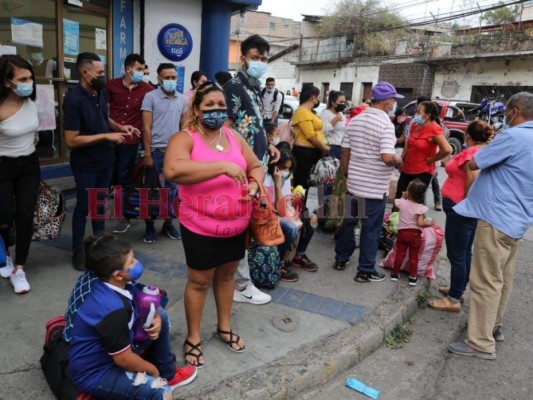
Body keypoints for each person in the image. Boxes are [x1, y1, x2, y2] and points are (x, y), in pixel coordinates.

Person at [163, 80, 264, 368]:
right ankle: (193, 337)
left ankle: (223, 327)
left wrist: (255, 183)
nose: (216, 110)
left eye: (221, 105)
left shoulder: (233, 137)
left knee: (227, 276)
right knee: (198, 282)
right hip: (200, 226)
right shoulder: (185, 138)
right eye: (209, 105)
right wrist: (221, 166)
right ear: (196, 109)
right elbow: (173, 169)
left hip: (236, 224)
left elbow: (256, 165)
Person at [447, 92, 533, 360]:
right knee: (503, 279)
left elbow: (474, 162)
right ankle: (493, 326)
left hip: (496, 218)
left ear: (514, 112)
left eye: (506, 111)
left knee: (485, 281)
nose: (504, 116)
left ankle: (480, 343)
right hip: (517, 221)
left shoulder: (514, 137)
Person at [68, 234, 197, 399]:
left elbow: (144, 306)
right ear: (118, 274)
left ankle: (168, 375)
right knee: (162, 391)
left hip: (113, 352)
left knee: (162, 316)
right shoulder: (112, 309)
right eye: (132, 261)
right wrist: (153, 372)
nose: (137, 263)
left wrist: (156, 318)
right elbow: (123, 360)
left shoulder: (118, 285)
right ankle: (160, 377)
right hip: (97, 373)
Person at [63, 52, 133, 271]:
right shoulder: (73, 100)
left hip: (105, 160)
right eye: (100, 72)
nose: (104, 76)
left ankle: (101, 247)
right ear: (85, 72)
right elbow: (71, 140)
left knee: (99, 206)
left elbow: (104, 118)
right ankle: (78, 251)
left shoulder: (100, 92)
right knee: (84, 206)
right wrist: (106, 136)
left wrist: (119, 127)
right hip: (86, 164)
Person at [224, 34, 279, 305]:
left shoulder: (254, 88)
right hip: (241, 171)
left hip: (256, 168)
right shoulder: (234, 87)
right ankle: (241, 285)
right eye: (256, 57)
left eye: (264, 58)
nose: (260, 62)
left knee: (245, 226)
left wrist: (269, 146)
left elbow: (252, 126)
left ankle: (235, 280)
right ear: (243, 57)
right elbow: (225, 129)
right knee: (240, 229)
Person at [333, 82, 403, 281]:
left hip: (354, 184)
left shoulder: (355, 120)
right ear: (388, 103)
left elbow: (345, 150)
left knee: (348, 223)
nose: (394, 104)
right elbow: (388, 157)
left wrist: (347, 173)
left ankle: (341, 258)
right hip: (374, 188)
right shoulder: (386, 125)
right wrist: (399, 160)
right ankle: (365, 270)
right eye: (394, 101)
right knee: (370, 229)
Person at [429, 120, 493, 313]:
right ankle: (458, 289)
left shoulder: (470, 153)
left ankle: (454, 299)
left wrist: (466, 203)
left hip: (460, 207)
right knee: (464, 252)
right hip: (468, 208)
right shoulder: (485, 151)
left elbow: (471, 177)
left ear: (468, 136)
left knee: (456, 254)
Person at [0, 55, 40, 293]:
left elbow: (35, 136)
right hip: (3, 166)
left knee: (25, 217)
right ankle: (5, 253)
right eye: (22, 79)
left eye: (30, 78)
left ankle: (19, 268)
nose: (29, 82)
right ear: (7, 82)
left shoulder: (32, 102)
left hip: (29, 165)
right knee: (4, 217)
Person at [141, 63, 187, 243]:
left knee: (172, 192)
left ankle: (168, 224)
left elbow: (184, 127)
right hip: (155, 151)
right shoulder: (150, 97)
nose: (170, 81)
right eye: (167, 78)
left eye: (173, 77)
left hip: (174, 154)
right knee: (151, 192)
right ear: (159, 79)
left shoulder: (182, 99)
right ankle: (149, 227)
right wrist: (147, 154)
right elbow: (146, 127)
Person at [107, 53, 153, 235]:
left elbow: (150, 118)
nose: (142, 73)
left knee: (125, 178)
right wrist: (118, 127)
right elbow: (104, 112)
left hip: (131, 142)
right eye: (139, 69)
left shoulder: (148, 90)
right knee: (109, 177)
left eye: (143, 69)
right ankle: (101, 211)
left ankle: (124, 216)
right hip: (109, 139)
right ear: (128, 69)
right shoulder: (111, 85)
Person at [264, 148, 318, 282]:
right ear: (274, 165)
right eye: (283, 167)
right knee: (291, 228)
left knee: (312, 217)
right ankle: (279, 263)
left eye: (288, 168)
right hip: (267, 214)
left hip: (282, 210)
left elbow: (286, 203)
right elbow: (276, 209)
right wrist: (277, 185)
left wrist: (295, 201)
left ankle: (299, 255)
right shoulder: (265, 179)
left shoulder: (286, 177)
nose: (286, 171)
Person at [394, 101, 452, 210]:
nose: (415, 114)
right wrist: (402, 158)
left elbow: (447, 149)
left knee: (414, 203)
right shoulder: (415, 125)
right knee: (399, 198)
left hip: (422, 172)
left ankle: (414, 225)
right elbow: (408, 143)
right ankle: (394, 223)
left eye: (418, 111)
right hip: (407, 168)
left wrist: (432, 159)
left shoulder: (434, 129)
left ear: (427, 115)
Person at [391, 179, 435, 286]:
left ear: (408, 192)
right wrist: (430, 223)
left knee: (399, 254)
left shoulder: (401, 203)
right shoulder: (420, 208)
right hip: (415, 235)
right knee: (413, 256)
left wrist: (403, 197)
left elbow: (396, 208)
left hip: (402, 234)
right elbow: (420, 223)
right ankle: (412, 277)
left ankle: (395, 274)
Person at [291, 85, 330, 203]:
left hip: (313, 153)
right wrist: (324, 148)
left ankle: (310, 210)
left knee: (313, 184)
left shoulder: (310, 112)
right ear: (313, 97)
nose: (318, 100)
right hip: (304, 154)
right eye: (317, 97)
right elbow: (310, 136)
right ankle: (300, 210)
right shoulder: (302, 112)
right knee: (303, 183)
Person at [320, 90, 347, 159]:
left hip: (341, 146)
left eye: (344, 102)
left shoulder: (340, 113)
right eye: (341, 102)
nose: (343, 104)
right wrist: (334, 120)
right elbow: (322, 131)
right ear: (333, 102)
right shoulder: (325, 113)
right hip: (331, 146)